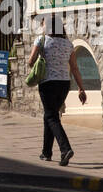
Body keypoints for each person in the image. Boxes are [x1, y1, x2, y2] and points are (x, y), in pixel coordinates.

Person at [26, 14, 87, 166]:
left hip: (48, 83)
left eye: (44, 24)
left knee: (51, 116)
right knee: (50, 115)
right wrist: (81, 88)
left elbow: (30, 62)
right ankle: (46, 152)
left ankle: (65, 149)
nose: (42, 27)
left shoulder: (41, 40)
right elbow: (74, 68)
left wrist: (38, 58)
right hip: (64, 84)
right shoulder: (68, 44)